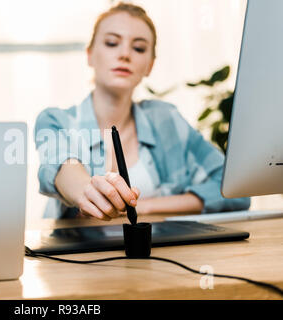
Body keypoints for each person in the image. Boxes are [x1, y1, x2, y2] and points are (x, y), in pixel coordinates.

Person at [34, 2, 250, 220]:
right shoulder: (57, 120)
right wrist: (86, 190)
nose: (125, 54)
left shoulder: (167, 121)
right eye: (111, 43)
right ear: (90, 54)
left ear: (150, 65)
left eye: (138, 48)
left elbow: (235, 189)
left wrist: (143, 206)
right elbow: (62, 167)